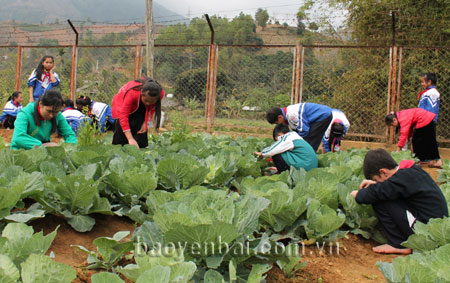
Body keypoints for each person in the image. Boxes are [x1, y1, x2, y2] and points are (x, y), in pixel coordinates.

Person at [351, 149, 448, 254]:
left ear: (383, 172)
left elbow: (374, 194)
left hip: (425, 232)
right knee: (384, 194)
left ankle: (397, 243)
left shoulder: (400, 180)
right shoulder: (409, 172)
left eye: (376, 179)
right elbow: (390, 186)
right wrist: (376, 183)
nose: (377, 183)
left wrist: (357, 194)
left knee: (380, 199)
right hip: (432, 225)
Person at [11, 89, 77, 150]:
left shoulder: (58, 115)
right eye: (49, 111)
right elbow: (19, 137)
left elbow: (70, 135)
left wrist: (69, 149)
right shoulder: (25, 113)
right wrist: (43, 146)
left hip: (42, 153)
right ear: (40, 104)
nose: (51, 115)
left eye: (56, 112)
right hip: (21, 152)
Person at [111, 77, 164, 148]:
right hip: (122, 104)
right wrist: (130, 138)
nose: (148, 103)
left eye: (151, 102)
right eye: (146, 101)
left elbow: (153, 108)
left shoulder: (160, 93)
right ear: (142, 93)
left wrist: (146, 122)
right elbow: (123, 116)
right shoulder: (132, 92)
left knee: (141, 133)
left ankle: (140, 149)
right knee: (121, 134)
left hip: (139, 104)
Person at [266, 102, 333, 151]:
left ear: (280, 117)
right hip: (321, 115)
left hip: (323, 115)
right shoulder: (287, 114)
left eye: (277, 122)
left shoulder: (292, 115)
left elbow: (304, 131)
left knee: (310, 140)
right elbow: (296, 130)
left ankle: (309, 159)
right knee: (306, 140)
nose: (278, 124)